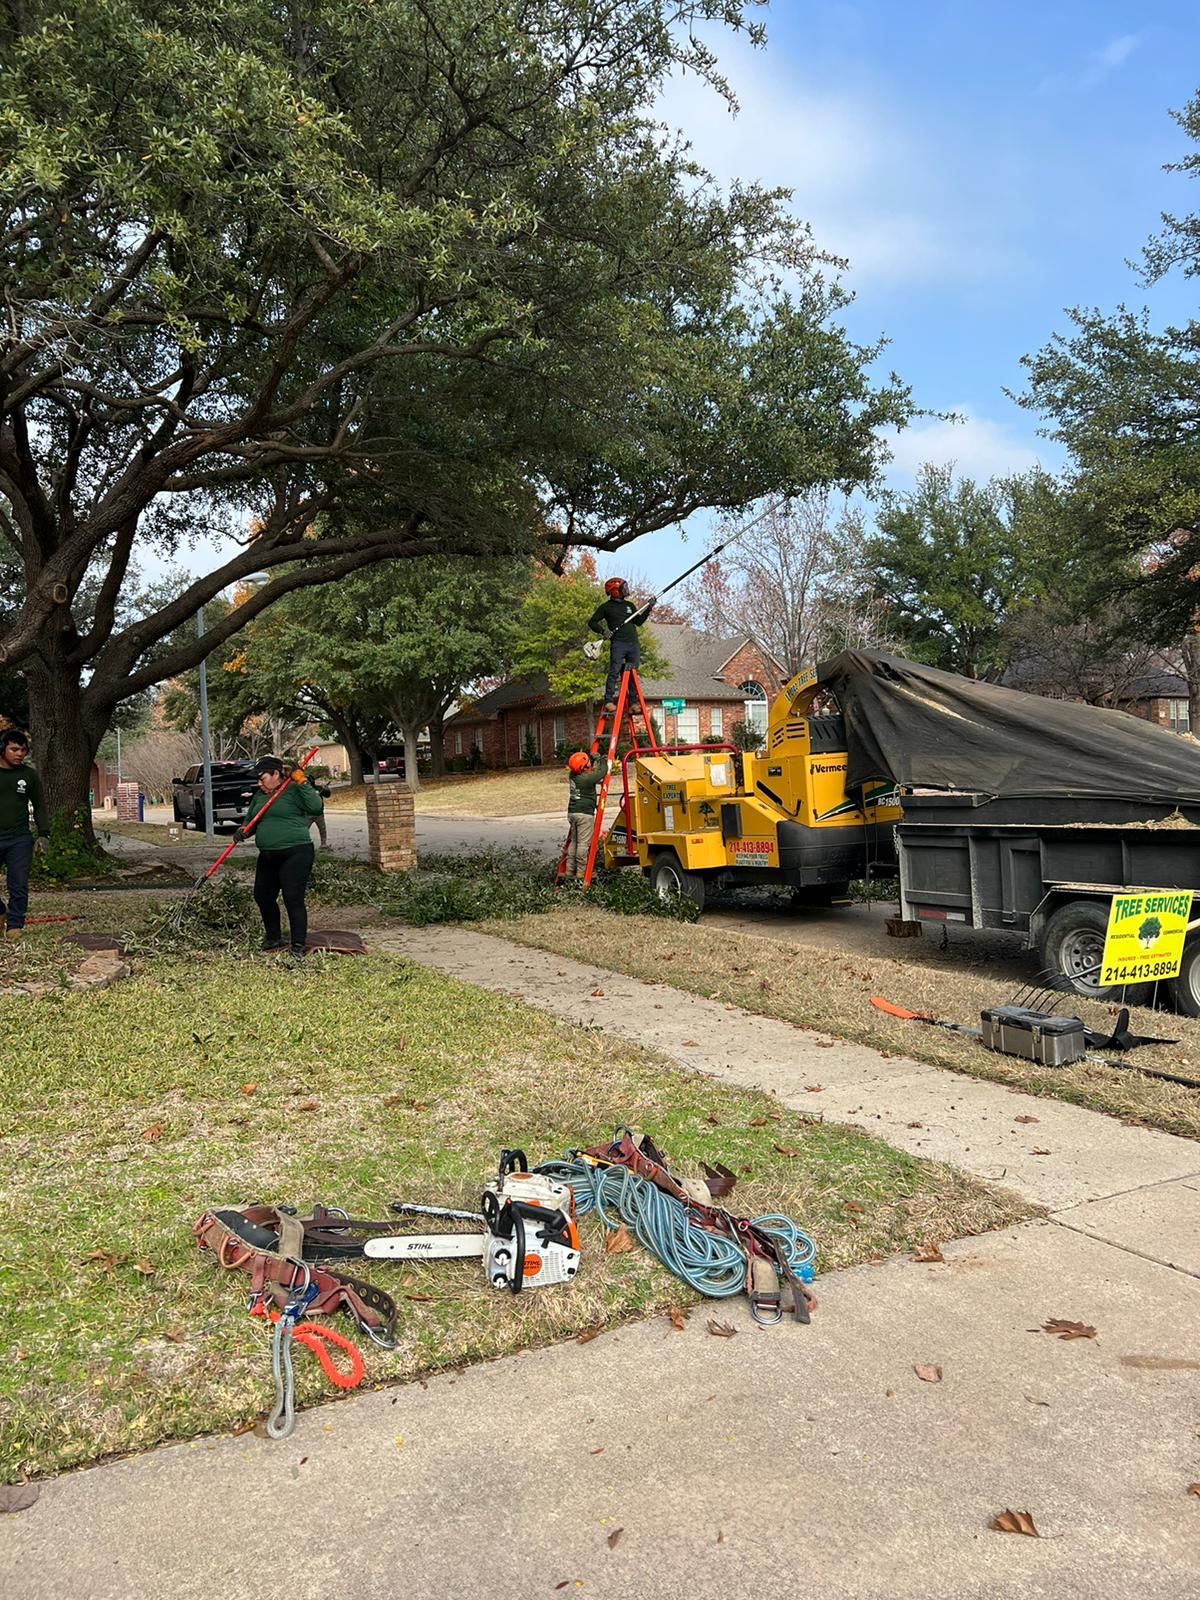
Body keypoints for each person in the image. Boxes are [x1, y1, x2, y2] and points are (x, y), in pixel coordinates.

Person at [238, 756, 324, 957]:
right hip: (268, 855)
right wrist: (243, 830)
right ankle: (274, 938)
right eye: (258, 780)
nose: (259, 783)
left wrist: (302, 781)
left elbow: (315, 807)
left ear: (276, 774)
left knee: (292, 897)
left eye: (263, 778)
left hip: (296, 852)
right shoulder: (260, 795)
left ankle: (298, 945)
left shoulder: (293, 790)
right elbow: (250, 820)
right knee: (263, 896)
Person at [0, 729, 49, 939]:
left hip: (19, 839)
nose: (19, 754)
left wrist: (43, 834)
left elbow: (39, 805)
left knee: (18, 883)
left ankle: (14, 924)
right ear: (2, 749)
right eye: (14, 749)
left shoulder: (28, 775)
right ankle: (1, 912)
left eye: (23, 750)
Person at [587, 578, 655, 710]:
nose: (626, 590)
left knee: (632, 673)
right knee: (614, 671)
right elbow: (592, 622)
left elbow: (639, 621)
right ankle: (608, 701)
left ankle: (633, 704)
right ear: (615, 591)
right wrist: (603, 631)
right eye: (623, 588)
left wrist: (648, 608)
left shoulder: (629, 605)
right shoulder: (606, 607)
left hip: (633, 643)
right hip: (618, 644)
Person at [564, 750, 607, 880]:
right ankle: (581, 872)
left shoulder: (573, 775)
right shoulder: (587, 778)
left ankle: (569, 870)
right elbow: (601, 772)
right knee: (583, 843)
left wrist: (592, 762)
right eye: (587, 760)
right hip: (584, 814)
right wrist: (601, 761)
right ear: (583, 767)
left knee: (574, 842)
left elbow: (589, 771)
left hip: (573, 812)